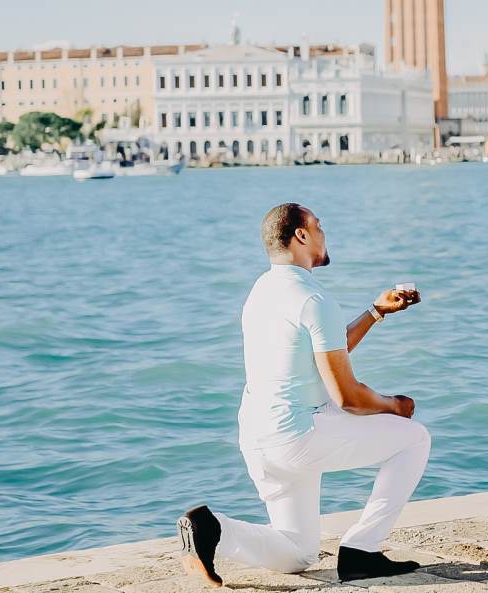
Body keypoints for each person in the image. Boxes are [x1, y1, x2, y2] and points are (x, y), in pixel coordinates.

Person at [177, 203, 430, 587]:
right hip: (298, 435)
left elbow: (321, 353)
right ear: (301, 235)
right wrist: (394, 406)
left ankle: (211, 529)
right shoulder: (314, 299)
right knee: (414, 439)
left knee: (298, 553)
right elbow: (347, 398)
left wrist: (375, 312)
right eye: (319, 226)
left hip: (259, 436)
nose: (324, 233)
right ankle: (363, 549)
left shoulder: (262, 289)